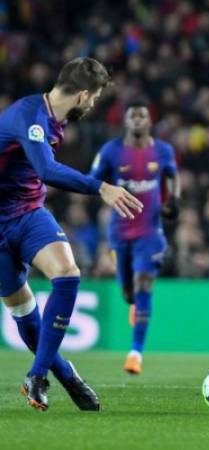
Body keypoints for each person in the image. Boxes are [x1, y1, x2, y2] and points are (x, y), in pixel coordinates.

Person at [0, 57, 144, 411]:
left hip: (29, 213)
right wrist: (101, 188)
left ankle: (37, 376)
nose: (94, 105)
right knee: (23, 313)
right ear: (82, 94)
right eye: (94, 98)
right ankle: (67, 375)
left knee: (67, 273)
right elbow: (47, 169)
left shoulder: (50, 117)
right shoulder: (29, 116)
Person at [90, 99, 179, 375]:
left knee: (144, 282)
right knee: (129, 291)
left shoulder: (163, 150)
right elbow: (92, 180)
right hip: (120, 231)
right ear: (125, 121)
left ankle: (135, 352)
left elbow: (174, 176)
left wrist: (174, 200)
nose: (138, 120)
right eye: (133, 116)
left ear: (149, 121)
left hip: (150, 232)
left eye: (143, 115)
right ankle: (135, 304)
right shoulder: (111, 151)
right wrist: (103, 192)